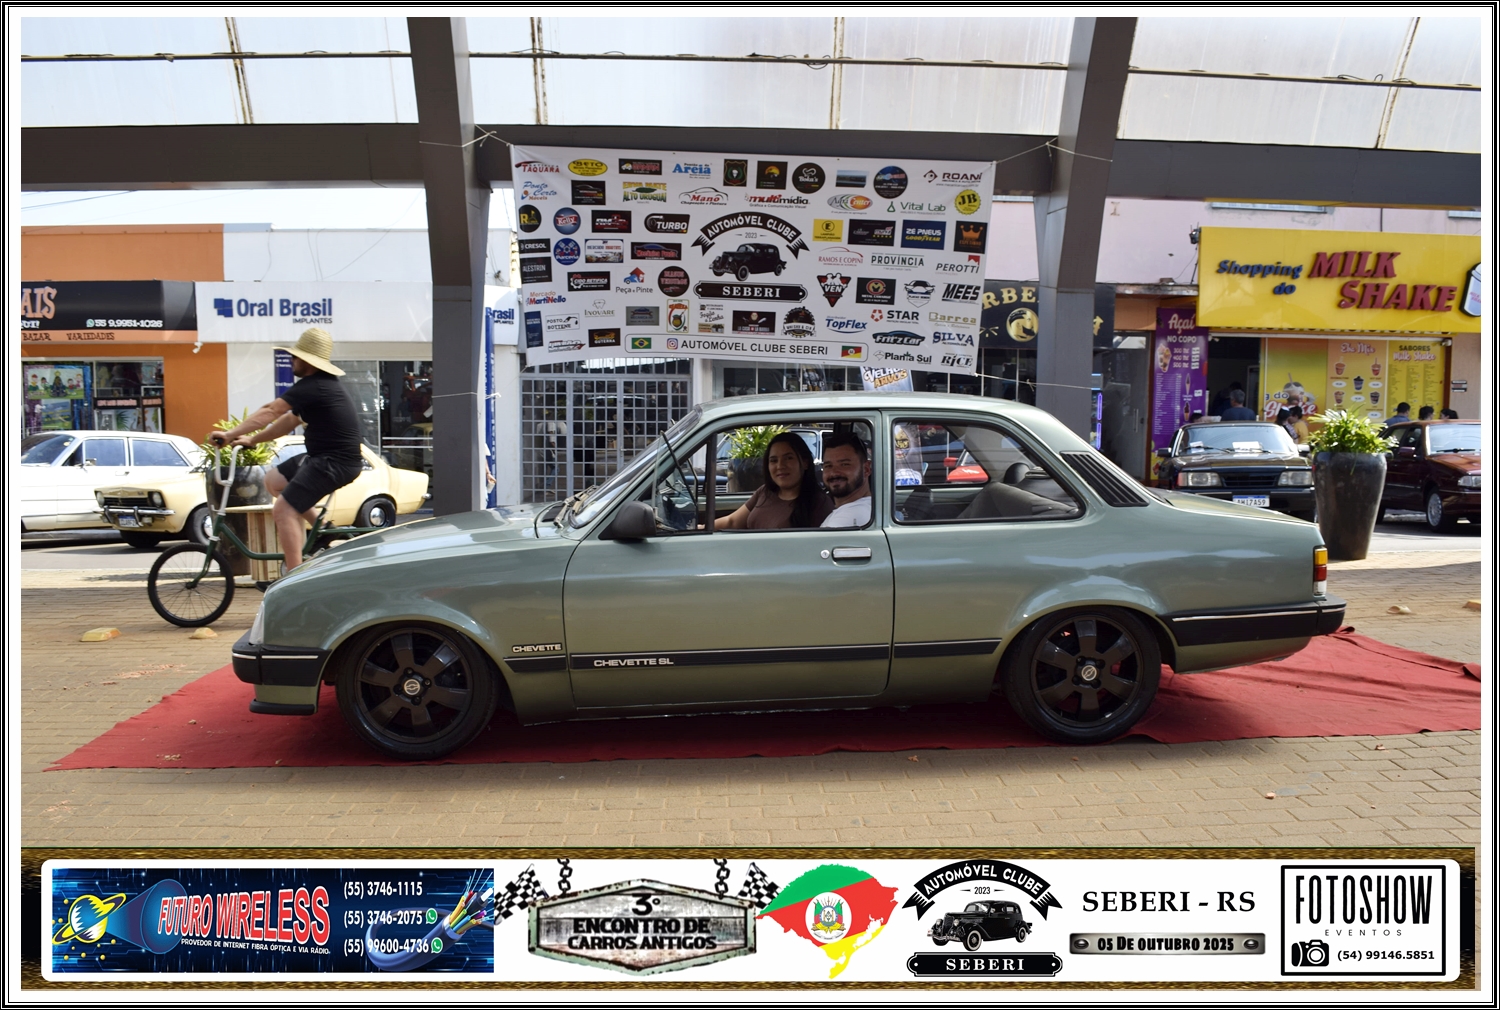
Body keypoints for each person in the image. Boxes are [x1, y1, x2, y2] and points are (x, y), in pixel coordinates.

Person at [209, 328, 362, 571]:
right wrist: (252, 440)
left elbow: (271, 411)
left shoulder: (315, 385)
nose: (291, 360)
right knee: (274, 481)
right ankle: (323, 530)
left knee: (283, 510)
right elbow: (289, 421)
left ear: (307, 361)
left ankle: (293, 576)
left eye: (295, 356)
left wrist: (229, 435)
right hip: (322, 458)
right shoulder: (317, 387)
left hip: (335, 462)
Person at [715, 431, 831, 530]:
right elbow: (732, 522)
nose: (780, 466)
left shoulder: (819, 504)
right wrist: (704, 528)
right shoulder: (765, 492)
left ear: (805, 463)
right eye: (774, 460)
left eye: (788, 458)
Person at [819, 432, 872, 528]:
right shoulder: (865, 508)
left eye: (844, 464)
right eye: (828, 466)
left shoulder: (851, 515)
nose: (834, 473)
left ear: (866, 469)